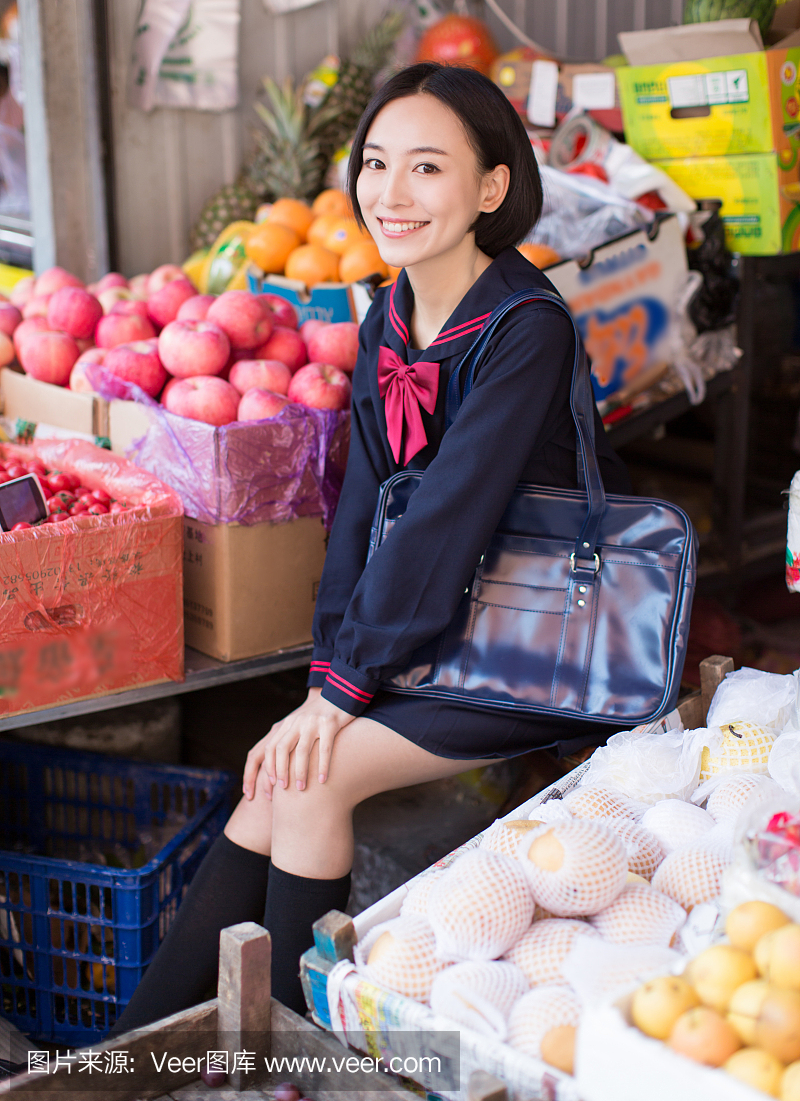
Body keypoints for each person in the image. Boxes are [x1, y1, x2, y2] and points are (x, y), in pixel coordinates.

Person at [113, 62, 629, 1032]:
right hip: (438, 623)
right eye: (377, 164)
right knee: (274, 773)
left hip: (536, 640)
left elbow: (447, 517)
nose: (390, 194)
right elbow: (359, 510)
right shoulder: (389, 313)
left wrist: (346, 692)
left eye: (426, 168)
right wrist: (323, 678)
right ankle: (127, 1060)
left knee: (313, 779)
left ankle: (286, 1067)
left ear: (489, 189)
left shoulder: (525, 328)